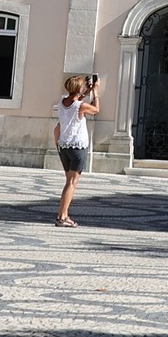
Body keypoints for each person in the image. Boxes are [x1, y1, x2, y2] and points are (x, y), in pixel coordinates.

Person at [53, 74, 98, 227]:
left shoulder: (62, 103)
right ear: (79, 89)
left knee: (68, 182)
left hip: (64, 146)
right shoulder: (81, 106)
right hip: (77, 147)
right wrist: (95, 93)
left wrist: (86, 92)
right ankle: (61, 217)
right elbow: (96, 110)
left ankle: (64, 214)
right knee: (72, 183)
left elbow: (75, 102)